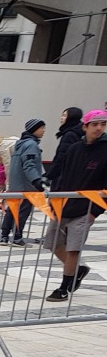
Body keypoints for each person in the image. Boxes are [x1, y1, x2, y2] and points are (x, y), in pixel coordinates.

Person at [43, 109, 107, 301]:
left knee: (73, 248)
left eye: (103, 124)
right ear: (85, 126)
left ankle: (64, 287)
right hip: (63, 203)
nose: (99, 128)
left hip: (87, 207)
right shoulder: (74, 149)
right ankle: (78, 271)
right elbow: (63, 174)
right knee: (53, 244)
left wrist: (95, 212)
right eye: (94, 124)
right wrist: (54, 200)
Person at [0, 119, 46, 246]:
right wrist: (37, 181)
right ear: (33, 129)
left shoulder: (20, 144)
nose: (44, 131)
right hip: (26, 185)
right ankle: (17, 237)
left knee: (12, 209)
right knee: (23, 211)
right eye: (41, 128)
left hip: (16, 184)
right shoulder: (31, 145)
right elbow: (29, 165)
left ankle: (4, 236)